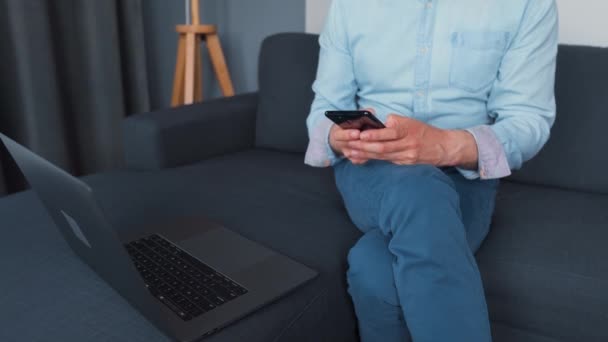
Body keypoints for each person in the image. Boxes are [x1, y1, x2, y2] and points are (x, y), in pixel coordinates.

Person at [304, 0, 558, 341]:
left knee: (374, 267)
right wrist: (337, 135)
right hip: (370, 170)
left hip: (464, 175)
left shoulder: (529, 4)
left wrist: (443, 145)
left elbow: (529, 119)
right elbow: (325, 109)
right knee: (418, 188)